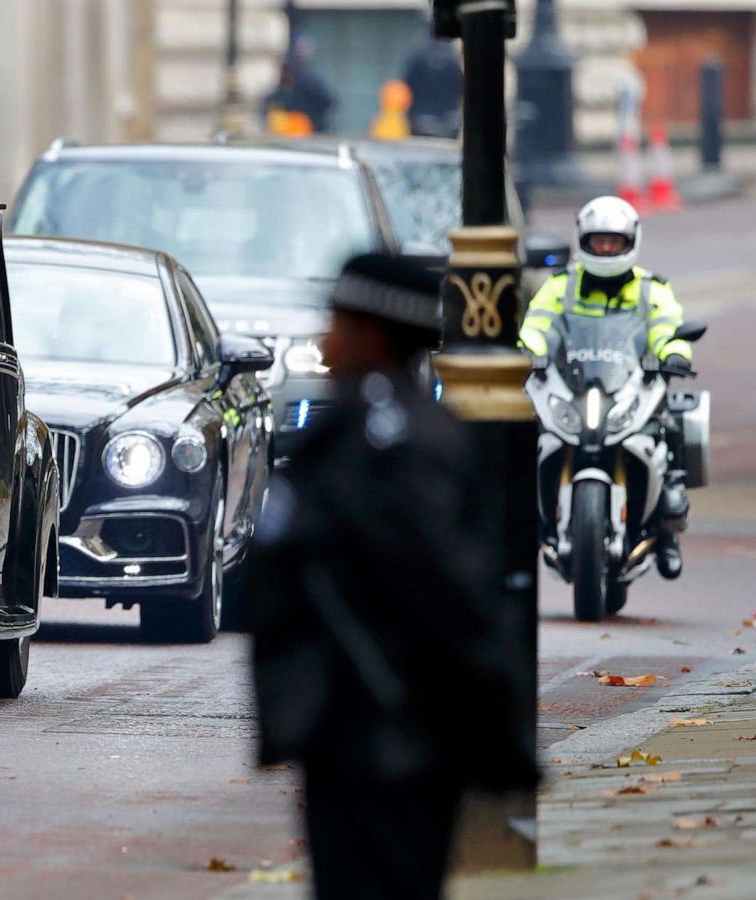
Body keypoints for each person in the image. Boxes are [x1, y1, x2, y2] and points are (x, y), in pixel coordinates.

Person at [247, 254, 537, 900]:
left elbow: (448, 590)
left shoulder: (381, 444)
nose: (325, 341)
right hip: (370, 736)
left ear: (374, 334)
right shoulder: (415, 431)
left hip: (387, 741)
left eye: (338, 323)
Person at [518, 196, 694, 576]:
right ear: (584, 240)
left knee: (670, 427)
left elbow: (668, 328)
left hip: (629, 384)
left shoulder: (652, 289)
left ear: (630, 242)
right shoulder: (559, 287)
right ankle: (526, 520)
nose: (606, 248)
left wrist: (673, 353)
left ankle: (667, 530)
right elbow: (537, 327)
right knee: (523, 433)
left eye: (614, 242)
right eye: (599, 241)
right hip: (573, 386)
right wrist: (527, 352)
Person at [402, 24, 463, 138]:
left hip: (421, 119)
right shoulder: (456, 58)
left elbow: (406, 87)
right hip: (450, 120)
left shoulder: (418, 56)